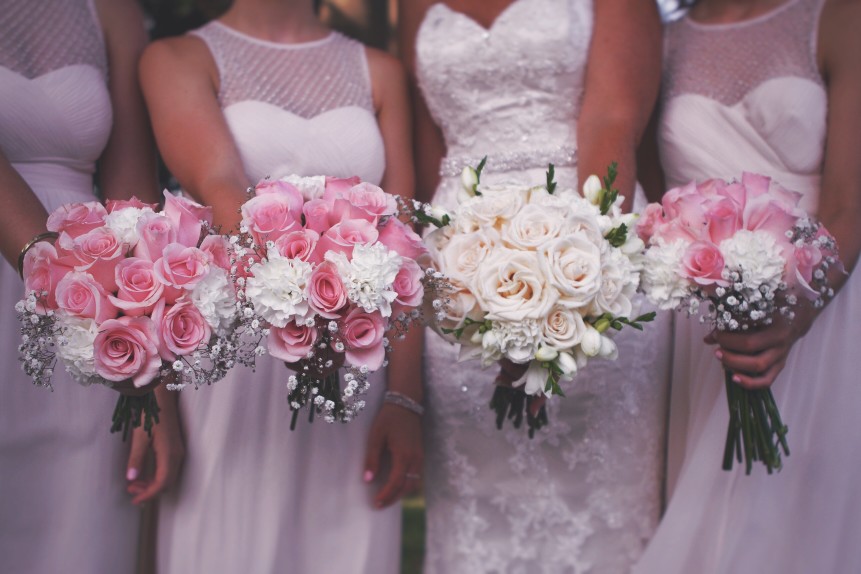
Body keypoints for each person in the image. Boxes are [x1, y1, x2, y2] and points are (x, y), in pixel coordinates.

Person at [139, 0, 422, 571]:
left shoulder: (380, 68)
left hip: (354, 355)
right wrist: (303, 301)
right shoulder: (177, 56)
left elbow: (404, 240)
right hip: (237, 360)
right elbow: (218, 183)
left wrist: (404, 396)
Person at [399, 0, 672, 571]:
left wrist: (567, 313)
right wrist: (429, 288)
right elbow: (429, 162)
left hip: (586, 252)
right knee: (477, 504)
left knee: (596, 508)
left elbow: (613, 126)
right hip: (457, 277)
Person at [633, 0, 861, 571]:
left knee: (803, 504)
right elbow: (655, 201)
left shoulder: (838, 15)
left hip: (821, 306)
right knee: (711, 505)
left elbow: (850, 204)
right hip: (701, 318)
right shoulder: (661, 40)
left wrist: (793, 318)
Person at [0, 0, 163, 571]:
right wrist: (55, 273)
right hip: (57, 281)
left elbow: (132, 193)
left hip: (96, 300)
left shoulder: (111, 10)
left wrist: (148, 357)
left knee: (84, 523)